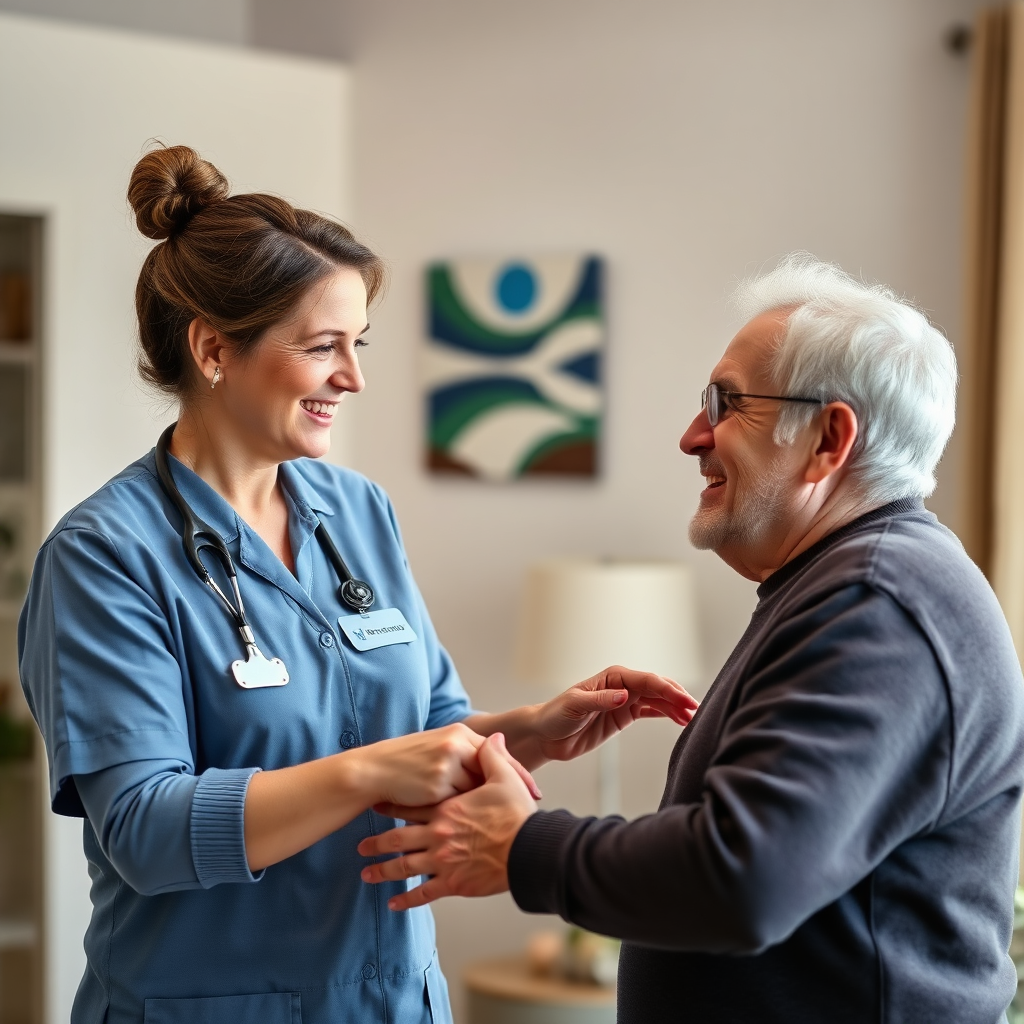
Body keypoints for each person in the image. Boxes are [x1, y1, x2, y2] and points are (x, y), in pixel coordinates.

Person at [17, 145, 697, 1024]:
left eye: (358, 344)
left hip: (392, 1000)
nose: (355, 376)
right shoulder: (105, 556)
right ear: (214, 348)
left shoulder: (357, 512)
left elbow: (427, 735)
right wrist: (372, 767)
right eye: (323, 347)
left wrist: (529, 731)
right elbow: (146, 830)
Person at [359, 254, 1024, 1024]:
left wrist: (525, 844)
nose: (691, 436)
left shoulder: (875, 601)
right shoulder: (847, 584)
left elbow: (745, 877)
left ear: (828, 439)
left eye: (726, 404)